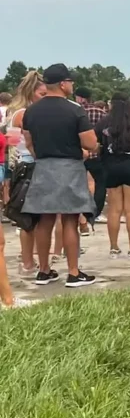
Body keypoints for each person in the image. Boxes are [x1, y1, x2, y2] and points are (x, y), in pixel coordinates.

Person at [21, 63, 98, 288]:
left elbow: (29, 143)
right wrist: (83, 151)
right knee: (70, 220)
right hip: (69, 167)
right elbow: (90, 143)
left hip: (43, 166)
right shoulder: (74, 109)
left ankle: (44, 271)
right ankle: (73, 273)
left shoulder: (31, 111)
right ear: (63, 84)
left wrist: (43, 156)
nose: (72, 85)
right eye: (70, 82)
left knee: (44, 220)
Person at [5, 71, 47, 275]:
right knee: (29, 220)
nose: (44, 98)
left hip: (21, 166)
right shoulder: (24, 114)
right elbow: (30, 145)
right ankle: (28, 262)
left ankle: (30, 261)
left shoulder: (16, 112)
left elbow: (13, 144)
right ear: (32, 92)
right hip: (29, 167)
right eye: (42, 94)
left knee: (30, 219)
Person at [96, 92, 130, 260]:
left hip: (111, 166)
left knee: (114, 209)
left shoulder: (104, 122)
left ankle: (114, 248)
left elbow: (96, 145)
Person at [74, 86, 108, 221]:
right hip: (96, 153)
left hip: (79, 153)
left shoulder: (75, 111)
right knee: (100, 183)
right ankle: (95, 212)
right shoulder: (101, 113)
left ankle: (80, 212)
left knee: (79, 184)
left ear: (81, 98)